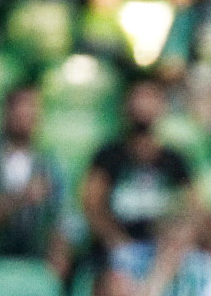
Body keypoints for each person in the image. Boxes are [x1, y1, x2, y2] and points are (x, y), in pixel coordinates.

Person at [82, 80, 193, 274]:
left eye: (150, 98)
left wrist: (173, 232)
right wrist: (117, 242)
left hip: (161, 249)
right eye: (139, 98)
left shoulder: (174, 159)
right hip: (117, 248)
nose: (144, 105)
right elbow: (92, 204)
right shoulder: (109, 155)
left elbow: (193, 206)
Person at [0, 84, 69, 270]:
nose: (25, 116)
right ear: (6, 113)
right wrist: (22, 198)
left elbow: (61, 216)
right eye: (19, 109)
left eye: (31, 109)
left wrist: (59, 248)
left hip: (36, 252)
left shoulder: (50, 163)